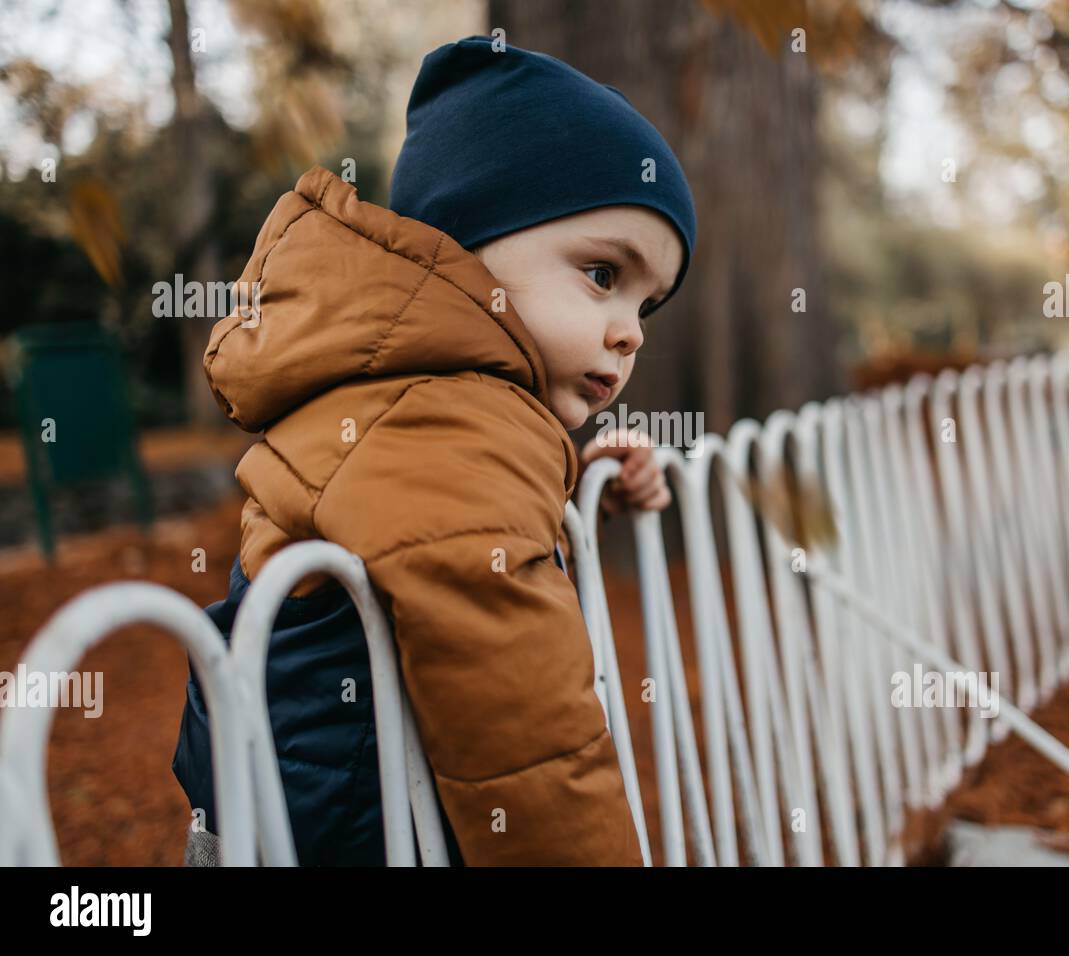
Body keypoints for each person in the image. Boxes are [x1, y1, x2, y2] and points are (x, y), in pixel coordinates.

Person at [171, 34, 695, 866]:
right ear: (462, 244)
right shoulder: (448, 427)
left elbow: (428, 526)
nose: (629, 330)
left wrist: (575, 478)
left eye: (648, 305)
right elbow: (527, 742)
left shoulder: (414, 401)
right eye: (603, 274)